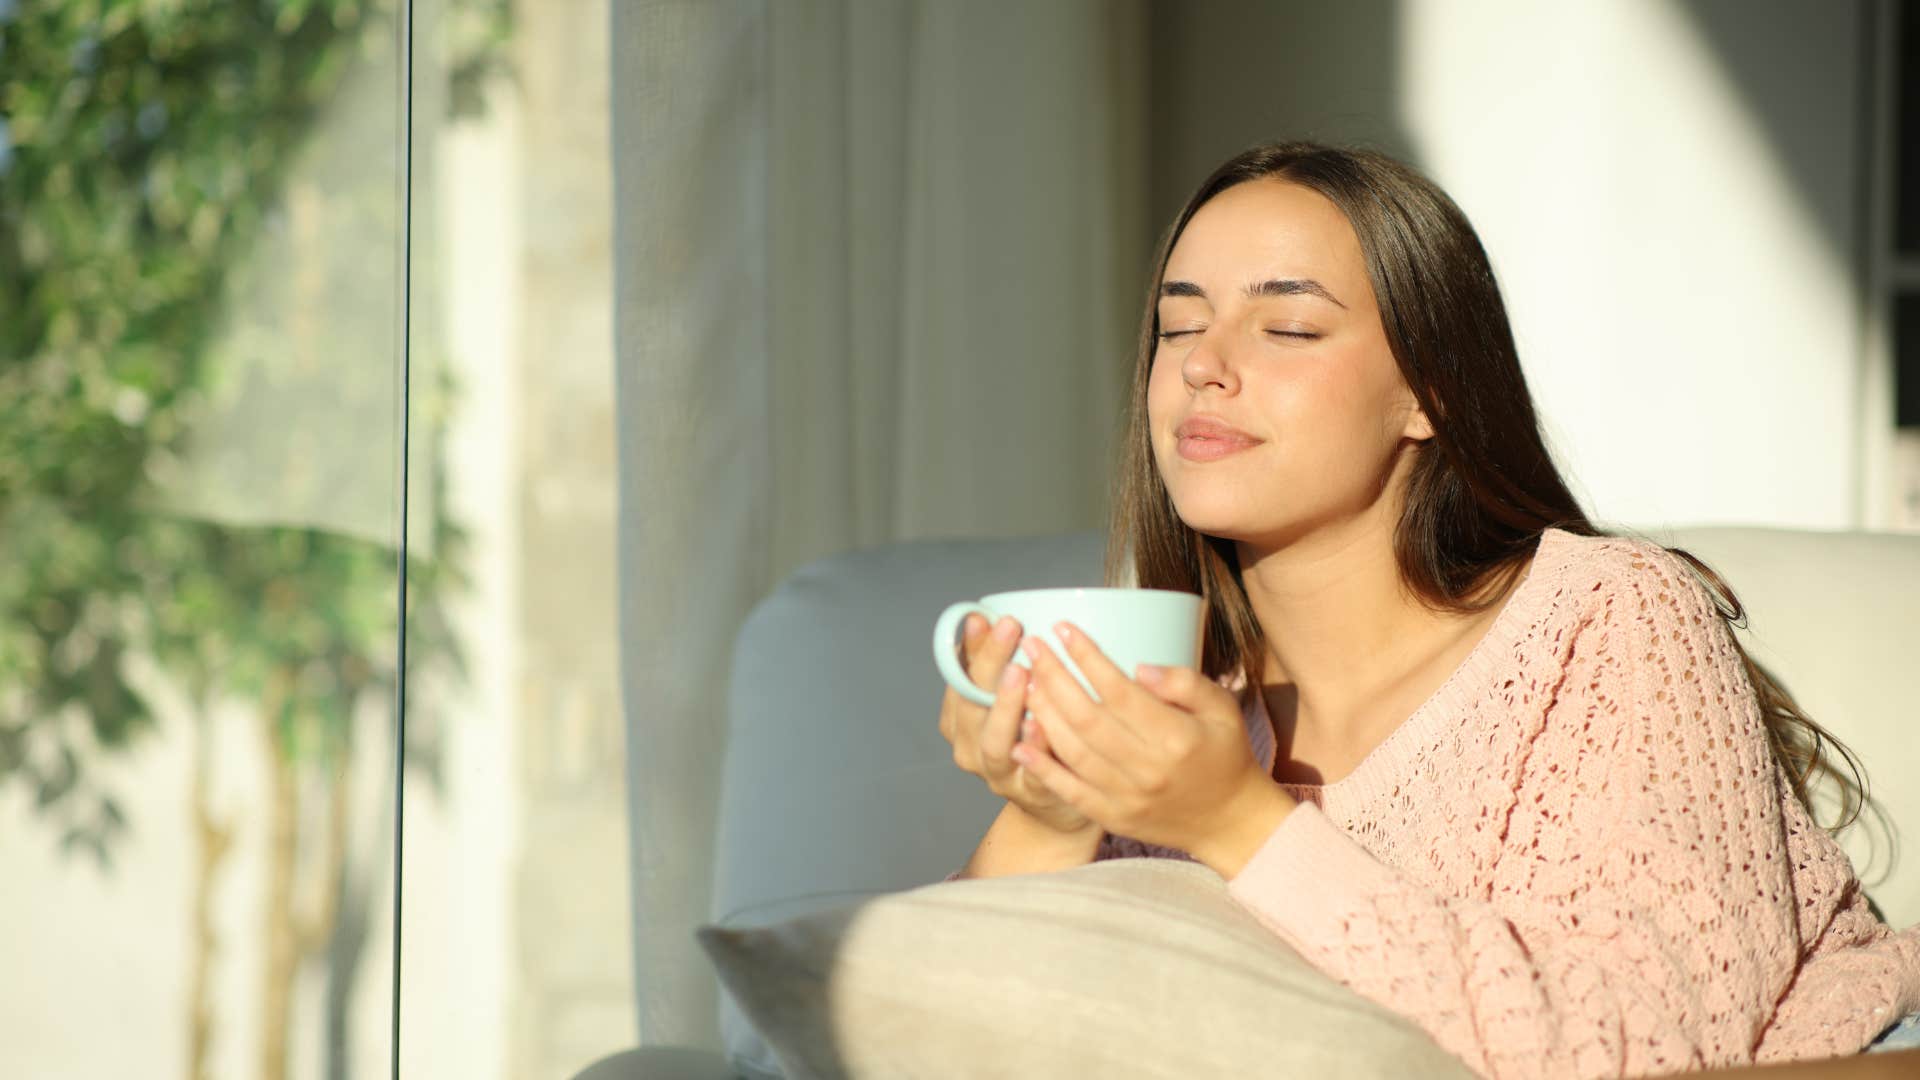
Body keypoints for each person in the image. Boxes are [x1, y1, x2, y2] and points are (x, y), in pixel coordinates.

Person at [934, 140, 1920, 1077]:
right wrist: (1050, 814)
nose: (1202, 365)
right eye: (1180, 326)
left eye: (1288, 328)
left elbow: (1640, 1054)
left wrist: (1237, 823)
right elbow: (940, 1034)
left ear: (1430, 394)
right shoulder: (1179, 718)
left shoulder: (1607, 618)